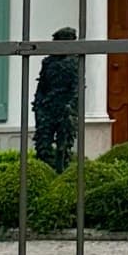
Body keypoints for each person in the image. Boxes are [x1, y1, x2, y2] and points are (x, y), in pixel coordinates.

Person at [33, 27, 82, 170]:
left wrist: (71, 106)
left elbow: (77, 87)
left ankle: (61, 173)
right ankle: (47, 173)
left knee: (63, 147)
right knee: (42, 147)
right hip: (47, 108)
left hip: (66, 110)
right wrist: (38, 106)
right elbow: (41, 86)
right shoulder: (48, 63)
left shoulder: (75, 62)